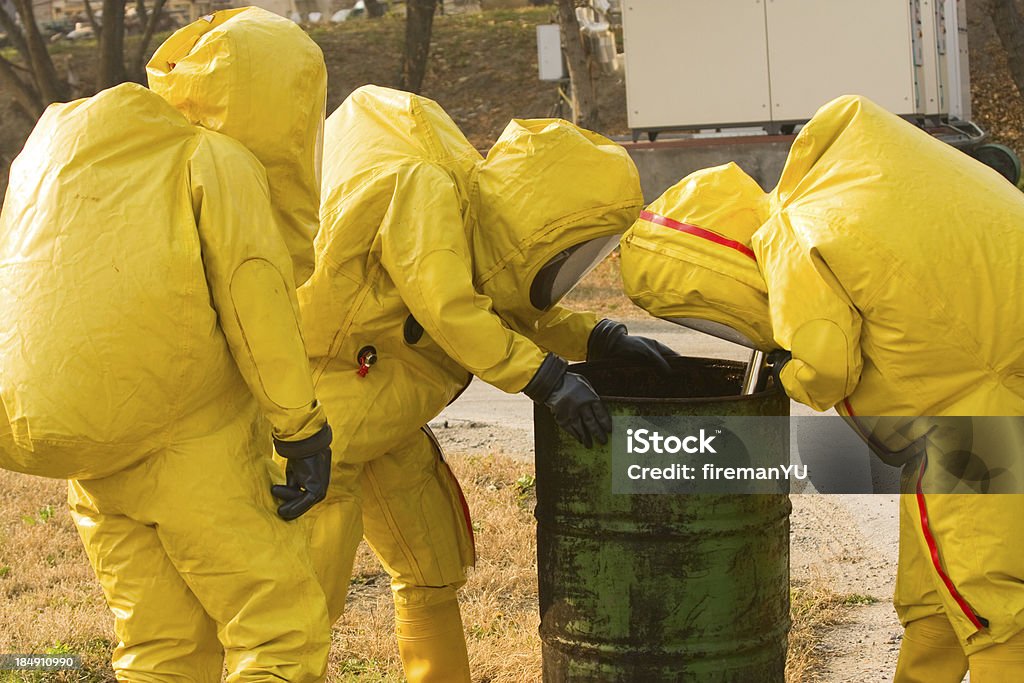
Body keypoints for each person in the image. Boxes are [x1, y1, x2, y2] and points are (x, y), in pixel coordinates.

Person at [618, 94, 1024, 682]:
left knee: (991, 611)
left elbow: (827, 362)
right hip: (980, 403)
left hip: (975, 417)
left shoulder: (789, 234)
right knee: (936, 589)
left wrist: (787, 374)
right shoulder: (836, 191)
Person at [297, 84, 676, 682]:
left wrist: (597, 338)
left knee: (431, 567)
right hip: (326, 429)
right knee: (299, 604)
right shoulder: (423, 188)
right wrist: (545, 379)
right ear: (543, 214)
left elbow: (498, 297)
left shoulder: (472, 212)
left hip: (387, 415)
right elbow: (449, 308)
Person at [0, 8, 333, 681]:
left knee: (159, 646)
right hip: (188, 446)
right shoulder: (214, 161)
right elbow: (254, 304)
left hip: (87, 452)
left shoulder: (73, 148)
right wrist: (302, 430)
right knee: (280, 632)